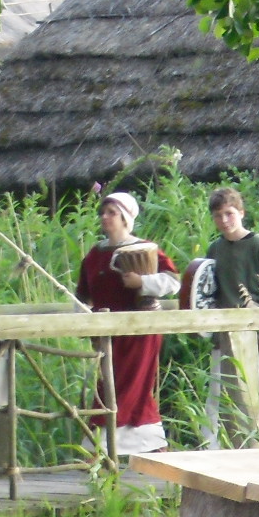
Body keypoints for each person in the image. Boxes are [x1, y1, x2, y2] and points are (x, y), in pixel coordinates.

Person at [75, 189, 179, 456]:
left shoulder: (145, 248)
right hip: (106, 334)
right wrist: (82, 318)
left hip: (139, 332)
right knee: (107, 387)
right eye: (103, 212)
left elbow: (173, 281)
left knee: (133, 388)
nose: (105, 217)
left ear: (125, 218)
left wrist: (142, 282)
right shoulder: (95, 254)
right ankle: (137, 446)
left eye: (112, 212)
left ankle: (109, 448)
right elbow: (83, 296)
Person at [202, 186, 259, 444]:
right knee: (220, 393)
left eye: (229, 213)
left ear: (241, 213)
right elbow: (208, 291)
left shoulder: (258, 245)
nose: (224, 220)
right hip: (226, 335)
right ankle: (214, 447)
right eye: (218, 215)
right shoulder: (215, 249)